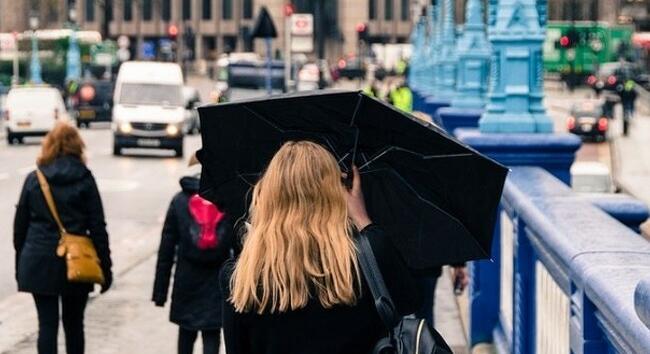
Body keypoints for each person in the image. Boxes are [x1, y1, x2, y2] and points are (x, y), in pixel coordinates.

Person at [221, 141, 421, 354]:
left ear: (267, 196)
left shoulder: (241, 276)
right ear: (335, 195)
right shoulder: (367, 256)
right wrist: (363, 219)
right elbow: (410, 302)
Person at [13, 122, 113, 354]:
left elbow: (20, 228)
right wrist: (106, 269)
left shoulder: (34, 179)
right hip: (77, 260)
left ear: (48, 145)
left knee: (46, 325)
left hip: (38, 260)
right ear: (78, 146)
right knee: (74, 324)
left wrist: (21, 264)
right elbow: (98, 228)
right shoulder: (85, 178)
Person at [152, 159, 234, 354]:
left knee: (186, 334)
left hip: (186, 281)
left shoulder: (180, 200)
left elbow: (166, 249)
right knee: (212, 335)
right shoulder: (227, 201)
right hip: (216, 282)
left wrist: (160, 292)